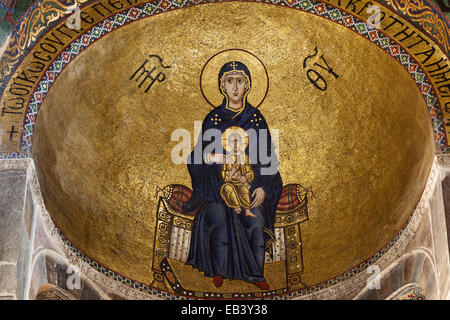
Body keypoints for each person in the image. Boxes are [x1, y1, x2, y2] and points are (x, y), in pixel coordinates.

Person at [183, 61, 282, 290]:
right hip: (216, 191)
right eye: (230, 81)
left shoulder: (256, 119)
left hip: (249, 189)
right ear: (221, 86)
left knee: (255, 220)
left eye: (240, 81)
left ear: (247, 85)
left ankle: (257, 274)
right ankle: (219, 272)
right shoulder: (214, 119)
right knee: (218, 217)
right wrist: (211, 158)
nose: (235, 87)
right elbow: (195, 156)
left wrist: (264, 187)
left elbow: (269, 160)